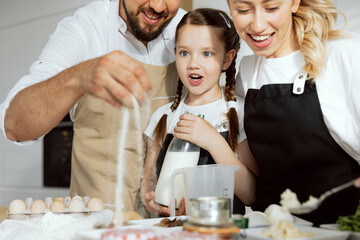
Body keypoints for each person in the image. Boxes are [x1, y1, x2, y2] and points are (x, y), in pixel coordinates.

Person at [0, 0, 187, 211]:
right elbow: (15, 126)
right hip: (97, 224)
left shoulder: (188, 28)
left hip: (170, 225)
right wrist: (78, 77)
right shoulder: (85, 29)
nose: (159, 6)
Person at [227, 0, 360, 225]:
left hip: (343, 227)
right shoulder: (248, 71)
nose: (258, 25)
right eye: (243, 10)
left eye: (271, 8)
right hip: (274, 228)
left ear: (295, 3)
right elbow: (253, 171)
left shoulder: (344, 54)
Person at [140, 8, 257, 216]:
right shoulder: (163, 117)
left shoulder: (239, 113)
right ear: (175, 53)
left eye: (207, 53)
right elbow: (148, 187)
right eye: (184, 52)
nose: (193, 63)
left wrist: (213, 140)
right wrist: (153, 202)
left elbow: (250, 194)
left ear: (226, 59)